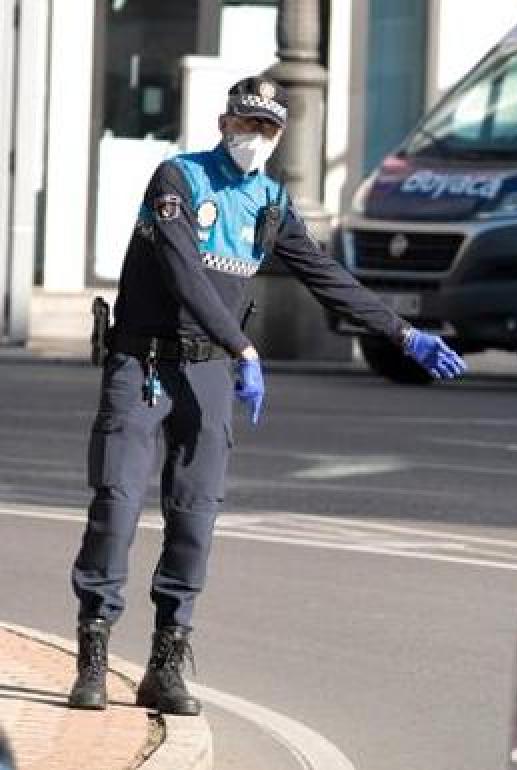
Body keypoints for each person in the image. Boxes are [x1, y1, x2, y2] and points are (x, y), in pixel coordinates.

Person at [66, 76, 467, 715]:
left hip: (207, 373)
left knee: (194, 515)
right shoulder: (178, 180)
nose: (253, 138)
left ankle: (165, 663)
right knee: (116, 504)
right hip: (141, 364)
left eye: (266, 129)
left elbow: (325, 276)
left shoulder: (271, 202)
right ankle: (92, 655)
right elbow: (183, 276)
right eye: (245, 124)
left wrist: (402, 332)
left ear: (279, 137)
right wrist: (245, 349)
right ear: (225, 122)